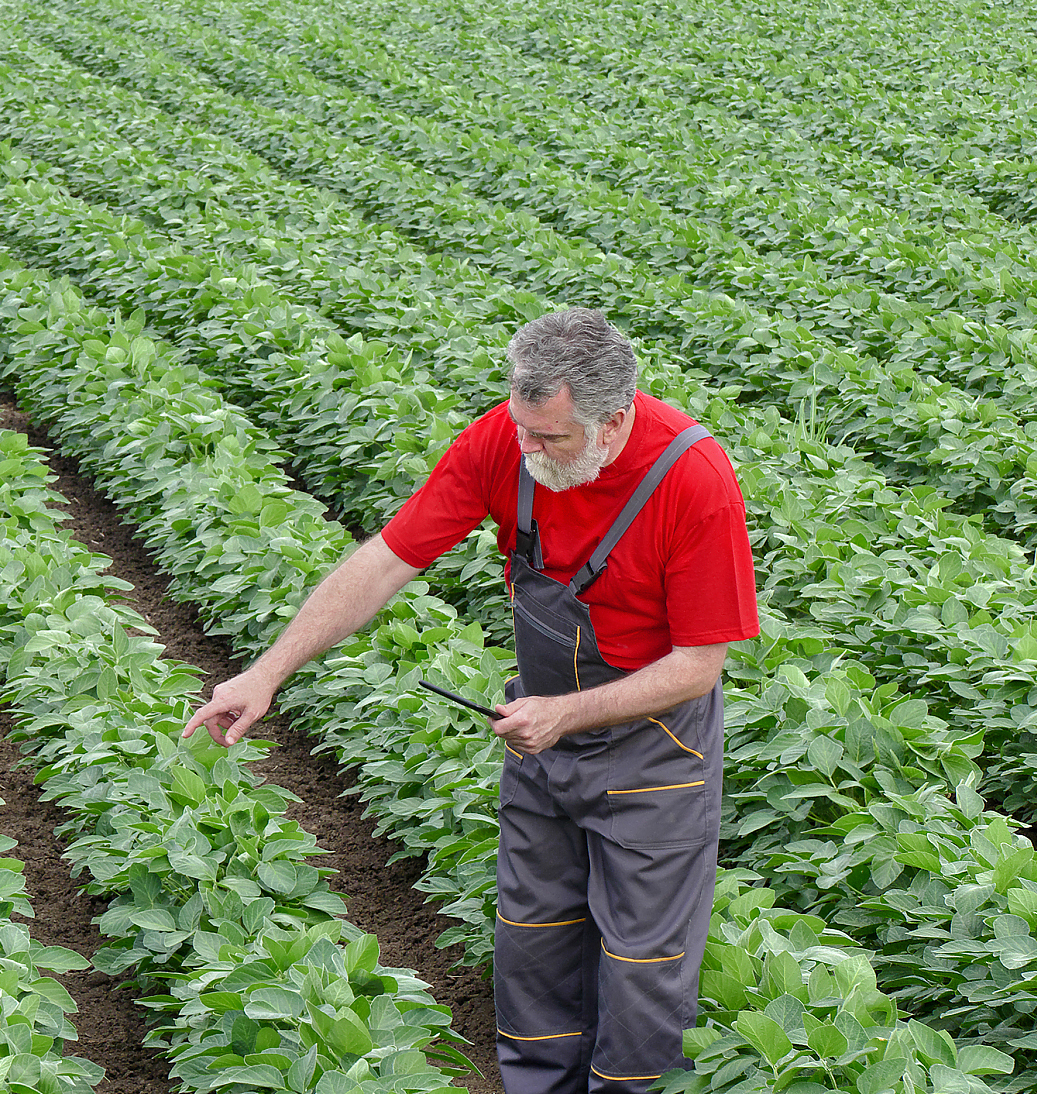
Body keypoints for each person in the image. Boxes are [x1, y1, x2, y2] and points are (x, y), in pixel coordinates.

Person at [181, 307, 759, 1093]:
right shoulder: (505, 441)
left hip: (657, 753)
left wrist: (565, 715)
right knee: (533, 943)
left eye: (551, 437)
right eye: (522, 429)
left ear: (612, 420)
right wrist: (267, 672)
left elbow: (699, 664)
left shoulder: (691, 478)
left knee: (642, 970)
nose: (527, 451)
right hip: (540, 742)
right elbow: (388, 560)